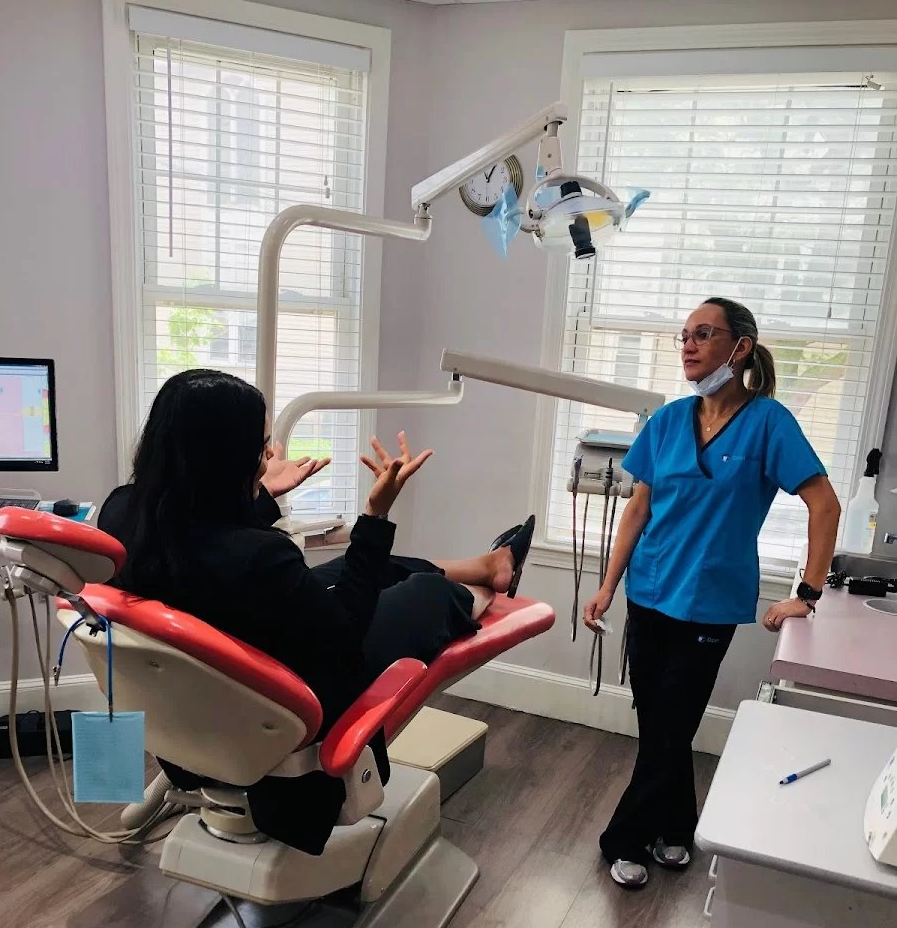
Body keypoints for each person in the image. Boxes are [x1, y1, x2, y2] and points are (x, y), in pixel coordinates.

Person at [99, 369, 535, 855]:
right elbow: (346, 631)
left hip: (210, 694)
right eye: (260, 448)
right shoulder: (263, 559)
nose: (269, 456)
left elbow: (205, 542)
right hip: (297, 701)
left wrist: (264, 495)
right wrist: (376, 515)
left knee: (358, 565)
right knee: (427, 592)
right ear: (227, 457)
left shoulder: (123, 514)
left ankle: (488, 565)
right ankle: (482, 590)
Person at [583, 297, 841, 889]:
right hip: (649, 593)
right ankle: (676, 826)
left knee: (672, 725)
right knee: (660, 724)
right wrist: (608, 585)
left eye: (703, 334)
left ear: (740, 347)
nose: (689, 346)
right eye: (684, 336)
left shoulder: (769, 422)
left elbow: (824, 505)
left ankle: (622, 838)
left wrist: (808, 593)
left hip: (709, 604)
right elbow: (638, 509)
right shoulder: (668, 420)